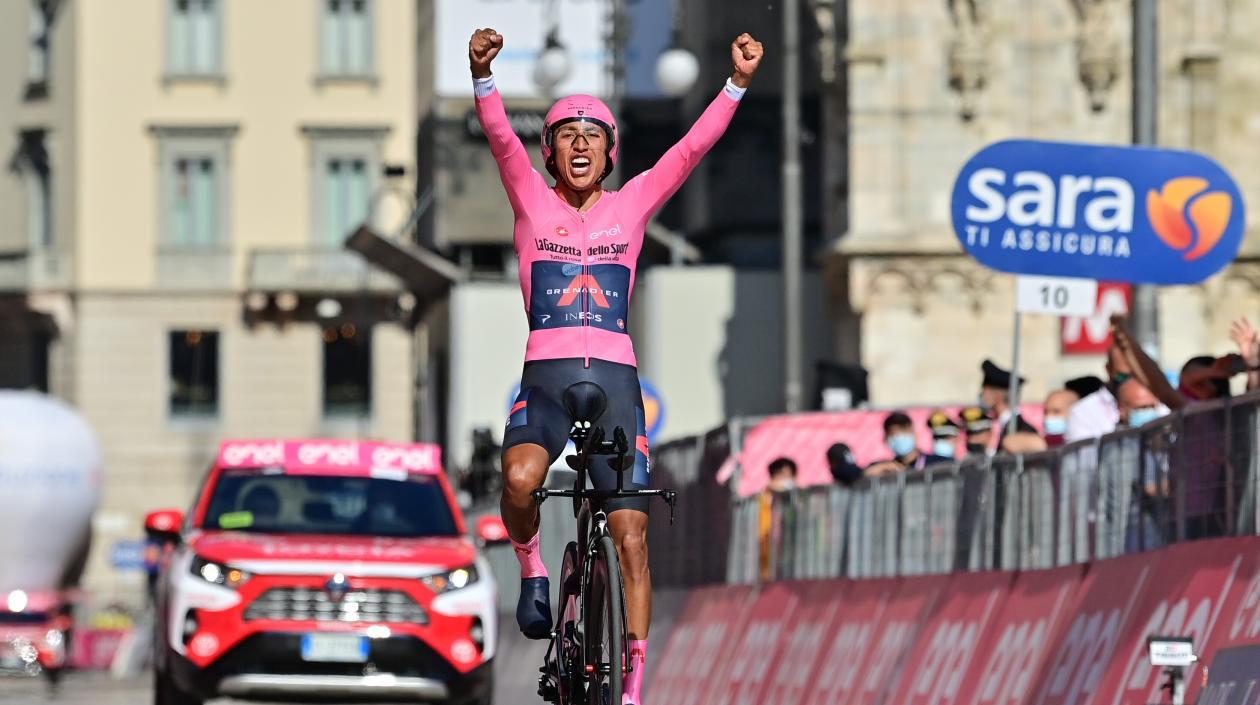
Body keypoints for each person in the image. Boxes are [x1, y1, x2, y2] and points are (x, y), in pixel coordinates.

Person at [470, 26, 764, 704]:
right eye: (566, 136)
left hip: (615, 387)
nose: (579, 144)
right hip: (543, 384)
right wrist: (483, 75)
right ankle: (535, 570)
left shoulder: (631, 205)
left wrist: (737, 83)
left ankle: (632, 685)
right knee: (518, 480)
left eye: (591, 136)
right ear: (550, 153)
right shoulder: (531, 201)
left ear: (609, 153)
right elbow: (500, 140)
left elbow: (690, 150)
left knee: (631, 536)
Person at [866, 411, 951, 476]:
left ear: (914, 433)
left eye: (903, 430)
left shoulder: (938, 462)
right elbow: (862, 476)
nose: (899, 436)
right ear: (885, 438)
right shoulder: (885, 469)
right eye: (893, 433)